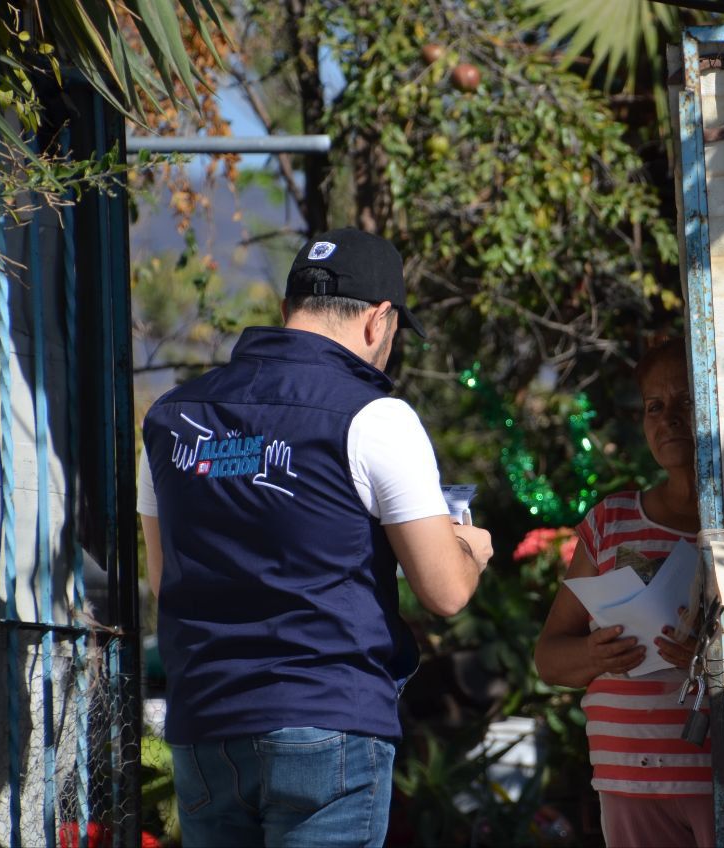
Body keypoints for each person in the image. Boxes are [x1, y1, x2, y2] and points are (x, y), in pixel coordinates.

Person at [137, 227, 494, 847]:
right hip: (326, 717)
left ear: (285, 312)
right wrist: (470, 547)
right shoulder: (376, 416)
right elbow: (446, 591)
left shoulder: (172, 417)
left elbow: (166, 580)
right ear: (380, 320)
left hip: (205, 724)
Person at [534, 339, 714, 848]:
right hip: (625, 781)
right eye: (655, 407)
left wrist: (709, 655)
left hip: (721, 772)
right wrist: (594, 654)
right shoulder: (610, 522)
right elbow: (548, 659)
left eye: (686, 401)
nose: (670, 418)